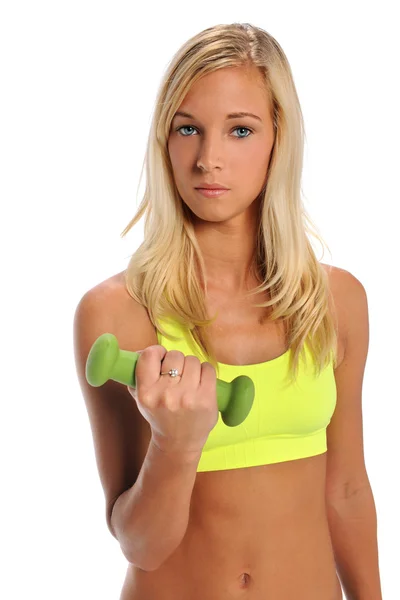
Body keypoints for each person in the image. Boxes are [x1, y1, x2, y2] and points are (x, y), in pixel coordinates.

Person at [73, 22, 382, 600]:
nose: (208, 159)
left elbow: (345, 489)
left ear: (278, 139)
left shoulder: (336, 303)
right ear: (164, 141)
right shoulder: (116, 315)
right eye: (187, 128)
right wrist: (176, 443)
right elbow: (141, 544)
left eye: (240, 130)